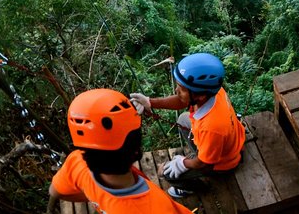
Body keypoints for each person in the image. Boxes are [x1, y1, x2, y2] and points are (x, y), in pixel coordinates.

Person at [49, 88, 192, 214]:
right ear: (136, 147)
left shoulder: (77, 161)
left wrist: (96, 197)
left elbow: (55, 191)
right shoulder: (158, 207)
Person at [130, 52, 245, 199]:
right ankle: (201, 151)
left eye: (181, 88)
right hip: (228, 142)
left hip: (221, 164)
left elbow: (205, 164)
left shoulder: (212, 127)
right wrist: (150, 102)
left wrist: (183, 163)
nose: (176, 91)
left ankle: (194, 188)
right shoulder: (213, 92)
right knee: (183, 119)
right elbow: (182, 100)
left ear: (200, 95)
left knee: (166, 174)